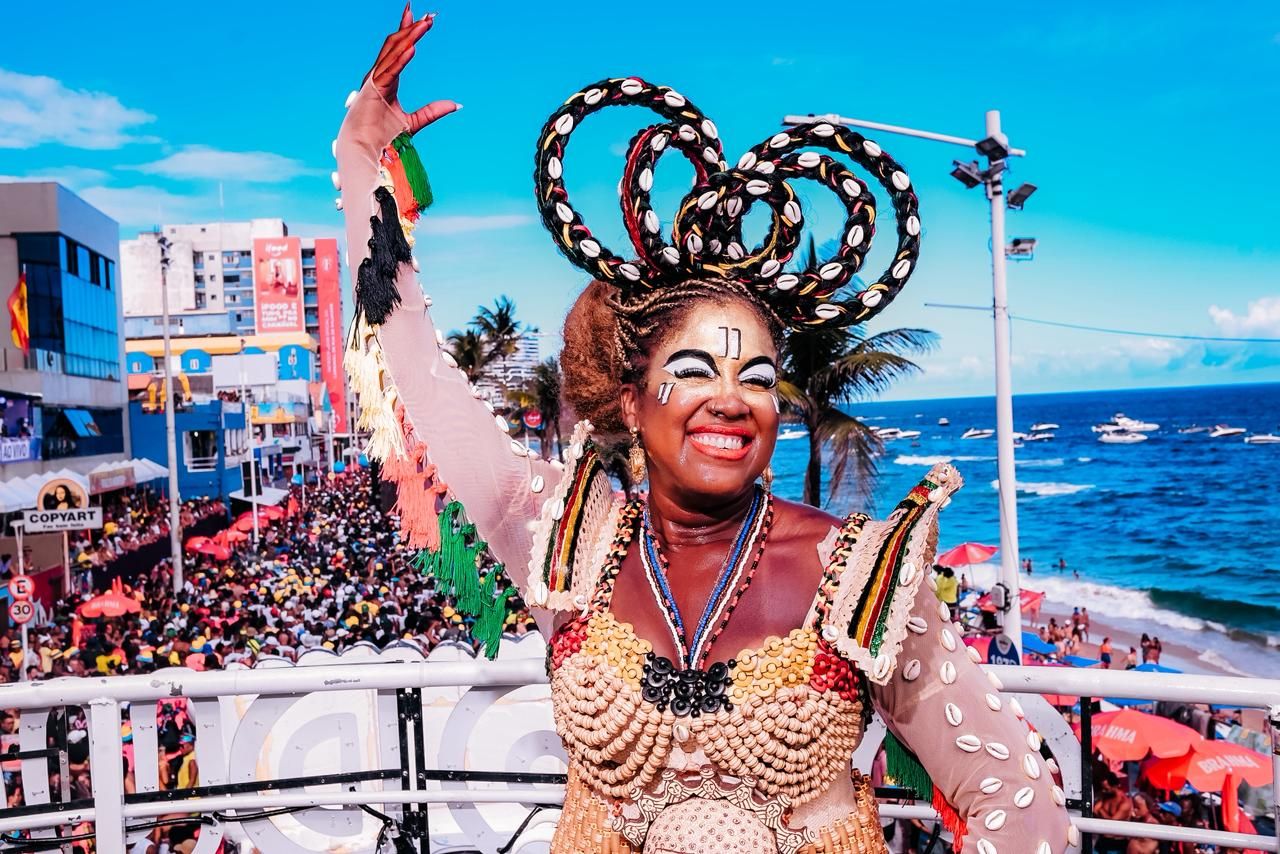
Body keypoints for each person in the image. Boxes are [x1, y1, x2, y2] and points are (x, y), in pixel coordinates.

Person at [330, 10, 1073, 852]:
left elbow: (1018, 800)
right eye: (693, 371)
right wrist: (364, 156)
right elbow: (420, 376)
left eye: (756, 378)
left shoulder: (860, 573)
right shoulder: (560, 538)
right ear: (630, 400)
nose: (731, 400)